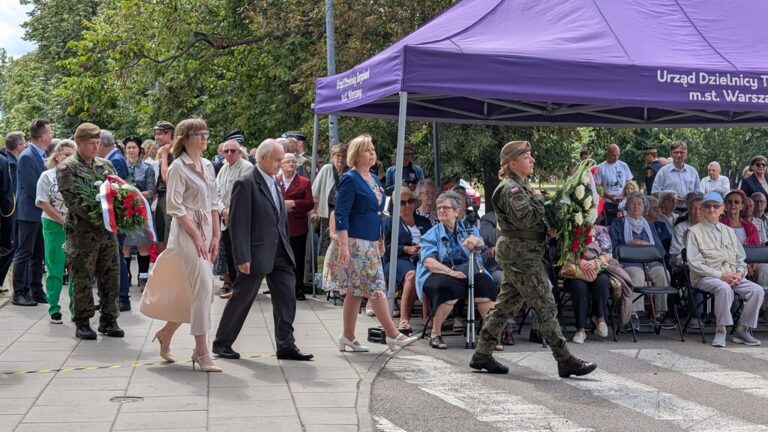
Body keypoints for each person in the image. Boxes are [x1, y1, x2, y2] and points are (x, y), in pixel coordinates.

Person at [470, 140, 596, 378]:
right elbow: (526, 218)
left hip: (524, 253)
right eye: (527, 157)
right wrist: (540, 202)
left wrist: (551, 225)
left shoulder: (522, 186)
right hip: (520, 255)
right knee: (545, 305)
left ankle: (482, 354)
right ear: (512, 162)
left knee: (506, 305)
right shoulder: (511, 188)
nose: (533, 160)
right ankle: (564, 359)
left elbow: (533, 221)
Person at [213, 139, 313, 362]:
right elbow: (238, 224)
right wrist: (242, 256)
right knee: (242, 298)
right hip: (256, 253)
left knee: (287, 297)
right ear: (263, 158)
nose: (281, 164)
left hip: (280, 252)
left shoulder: (274, 181)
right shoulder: (246, 183)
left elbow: (280, 218)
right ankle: (222, 342)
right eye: (278, 160)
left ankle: (286, 345)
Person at [140, 118, 222, 372]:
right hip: (186, 231)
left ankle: (166, 333)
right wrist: (197, 236)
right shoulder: (178, 167)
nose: (204, 137)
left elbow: (213, 202)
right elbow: (175, 207)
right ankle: (201, 351)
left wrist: (216, 235)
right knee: (205, 287)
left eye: (206, 133)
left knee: (197, 291)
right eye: (198, 134)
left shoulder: (208, 165)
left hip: (207, 227)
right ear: (184, 138)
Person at [323, 134, 417, 353]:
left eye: (373, 149)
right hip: (355, 242)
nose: (372, 153)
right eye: (368, 150)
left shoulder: (373, 178)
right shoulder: (350, 178)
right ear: (357, 155)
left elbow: (378, 211)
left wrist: (380, 239)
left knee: (355, 291)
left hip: (370, 240)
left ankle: (347, 336)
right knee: (376, 287)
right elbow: (341, 213)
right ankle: (394, 334)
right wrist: (344, 245)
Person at [58, 123, 124, 340]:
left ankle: (108, 318)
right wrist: (101, 216)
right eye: (91, 143)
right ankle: (83, 321)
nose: (96, 147)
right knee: (82, 278)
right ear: (78, 143)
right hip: (82, 235)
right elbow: (74, 200)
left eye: (98, 143)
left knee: (111, 275)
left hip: (107, 234)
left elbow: (119, 191)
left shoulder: (105, 165)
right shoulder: (68, 167)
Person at [416, 191, 497, 349]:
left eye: (445, 208)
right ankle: (435, 334)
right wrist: (451, 272)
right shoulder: (431, 234)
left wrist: (476, 242)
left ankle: (490, 337)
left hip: (468, 270)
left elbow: (480, 246)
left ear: (457, 212)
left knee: (485, 285)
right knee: (447, 287)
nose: (441, 211)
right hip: (440, 272)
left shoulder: (467, 228)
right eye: (439, 208)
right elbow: (429, 262)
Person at [686, 191, 764, 348]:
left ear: (722, 209)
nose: (712, 209)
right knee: (723, 288)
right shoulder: (694, 232)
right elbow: (694, 263)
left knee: (757, 290)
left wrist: (740, 273)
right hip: (705, 277)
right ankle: (721, 329)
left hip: (731, 275)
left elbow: (740, 259)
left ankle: (742, 329)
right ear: (701, 209)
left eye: (716, 206)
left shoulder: (729, 231)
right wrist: (721, 275)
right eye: (707, 206)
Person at [609, 192, 671, 330]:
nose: (636, 206)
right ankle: (633, 314)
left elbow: (660, 251)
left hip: (651, 263)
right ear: (627, 206)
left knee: (662, 273)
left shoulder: (649, 225)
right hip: (629, 263)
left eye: (640, 203)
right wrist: (630, 244)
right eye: (633, 203)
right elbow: (613, 248)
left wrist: (647, 246)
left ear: (645, 207)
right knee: (637, 275)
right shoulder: (619, 223)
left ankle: (659, 313)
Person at [35, 140, 76, 324]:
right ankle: (54, 307)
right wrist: (63, 220)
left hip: (76, 226)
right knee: (55, 267)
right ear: (57, 155)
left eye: (73, 155)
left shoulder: (78, 175)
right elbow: (42, 202)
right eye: (66, 155)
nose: (69, 158)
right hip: (53, 224)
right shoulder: (47, 175)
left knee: (77, 268)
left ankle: (77, 307)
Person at [13, 119, 52, 306]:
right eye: (50, 132)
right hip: (29, 213)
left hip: (39, 212)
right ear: (43, 135)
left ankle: (36, 290)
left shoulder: (40, 154)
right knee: (24, 253)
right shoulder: (28, 156)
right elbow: (31, 187)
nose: (51, 136)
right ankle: (19, 292)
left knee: (38, 254)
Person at [383, 187, 432, 332]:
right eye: (402, 203)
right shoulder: (390, 222)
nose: (407, 205)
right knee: (412, 275)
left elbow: (431, 240)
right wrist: (405, 249)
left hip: (421, 258)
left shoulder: (424, 221)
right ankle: (404, 320)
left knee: (432, 271)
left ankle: (428, 316)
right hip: (397, 260)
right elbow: (385, 248)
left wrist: (423, 249)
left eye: (410, 201)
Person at [98, 130, 132, 311]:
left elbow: (116, 190)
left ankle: (122, 297)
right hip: (114, 216)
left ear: (102, 144)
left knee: (117, 258)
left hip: (115, 217)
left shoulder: (115, 160)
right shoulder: (116, 157)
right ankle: (113, 297)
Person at [215, 139, 253, 299]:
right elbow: (215, 192)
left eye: (233, 151)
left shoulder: (247, 168)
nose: (229, 154)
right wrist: (223, 209)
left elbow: (247, 193)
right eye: (226, 151)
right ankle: (235, 287)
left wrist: (232, 210)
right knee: (230, 253)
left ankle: (245, 288)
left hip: (242, 218)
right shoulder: (223, 169)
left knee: (242, 254)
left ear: (240, 152)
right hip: (225, 218)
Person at [564, 227, 612, 344]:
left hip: (597, 269)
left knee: (603, 282)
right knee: (579, 287)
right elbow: (561, 252)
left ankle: (599, 316)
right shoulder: (568, 228)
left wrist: (595, 262)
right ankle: (580, 329)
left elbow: (608, 254)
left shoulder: (600, 230)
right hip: (575, 271)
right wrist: (580, 262)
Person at [278, 152, 314, 301]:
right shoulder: (275, 180)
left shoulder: (304, 182)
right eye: (287, 162)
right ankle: (280, 288)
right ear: (281, 164)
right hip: (278, 226)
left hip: (297, 227)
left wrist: (294, 204)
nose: (291, 164)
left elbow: (310, 203)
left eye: (293, 162)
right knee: (280, 259)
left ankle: (297, 289)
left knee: (297, 259)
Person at [122, 136, 156, 290]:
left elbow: (151, 191)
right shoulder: (120, 167)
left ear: (139, 149)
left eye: (133, 147)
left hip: (141, 210)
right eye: (128, 147)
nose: (131, 150)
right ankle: (126, 276)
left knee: (143, 245)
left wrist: (134, 194)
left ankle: (143, 277)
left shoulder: (147, 168)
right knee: (126, 245)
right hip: (124, 210)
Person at [311, 143, 349, 264]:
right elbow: (315, 193)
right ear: (333, 156)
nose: (340, 159)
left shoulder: (351, 171)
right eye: (338, 155)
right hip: (327, 213)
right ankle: (322, 272)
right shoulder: (327, 169)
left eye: (343, 156)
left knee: (343, 242)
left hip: (345, 215)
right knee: (325, 243)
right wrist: (314, 212)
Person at [0, 132, 25, 293]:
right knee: (8, 246)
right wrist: (10, 213)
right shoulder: (8, 163)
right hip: (7, 212)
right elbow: (10, 193)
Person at [652, 141, 700, 209]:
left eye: (682, 152)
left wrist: (690, 198)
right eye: (676, 152)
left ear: (686, 154)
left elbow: (699, 192)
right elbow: (654, 192)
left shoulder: (692, 171)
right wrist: (669, 197)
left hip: (689, 211)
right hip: (670, 212)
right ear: (671, 154)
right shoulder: (663, 172)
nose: (679, 155)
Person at [595, 144, 633, 225]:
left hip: (623, 202)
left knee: (625, 225)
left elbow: (630, 182)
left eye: (618, 155)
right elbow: (597, 188)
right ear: (608, 154)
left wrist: (627, 194)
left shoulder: (623, 165)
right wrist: (608, 196)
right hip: (608, 203)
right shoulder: (601, 168)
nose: (616, 157)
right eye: (613, 155)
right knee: (611, 225)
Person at [152, 121, 175, 255]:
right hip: (160, 196)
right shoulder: (162, 151)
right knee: (159, 232)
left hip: (169, 195)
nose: (157, 137)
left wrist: (165, 155)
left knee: (168, 234)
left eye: (160, 134)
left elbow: (167, 178)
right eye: (156, 134)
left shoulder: (173, 152)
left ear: (169, 134)